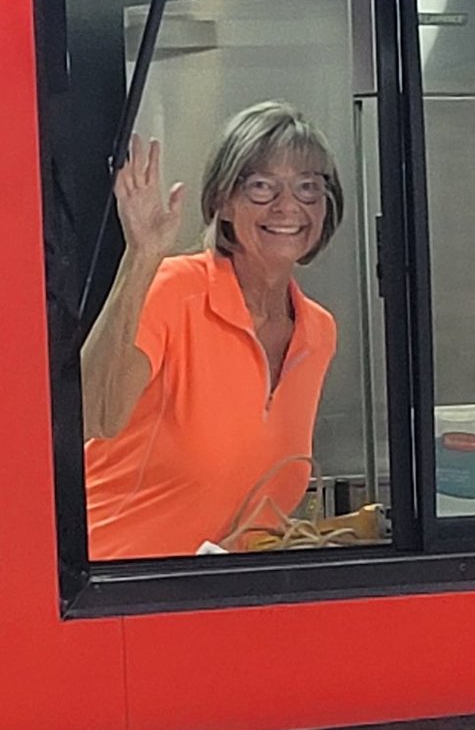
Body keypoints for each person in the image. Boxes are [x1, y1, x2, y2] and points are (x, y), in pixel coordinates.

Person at [83, 102, 343, 560]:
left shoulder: (317, 332)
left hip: (219, 600)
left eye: (308, 188)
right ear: (223, 201)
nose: (288, 207)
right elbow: (92, 414)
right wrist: (141, 256)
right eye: (262, 186)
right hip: (115, 592)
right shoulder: (174, 290)